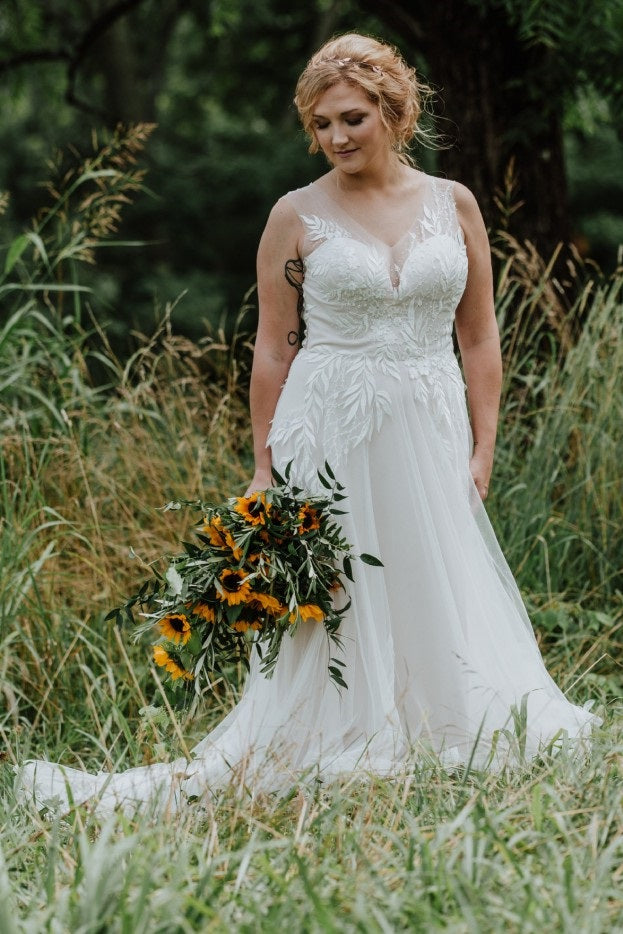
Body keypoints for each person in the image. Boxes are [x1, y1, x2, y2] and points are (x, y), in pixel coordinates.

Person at [16, 33, 598, 816]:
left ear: (394, 111)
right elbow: (271, 345)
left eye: (352, 118)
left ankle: (440, 717)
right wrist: (263, 468)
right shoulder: (295, 215)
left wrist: (482, 444)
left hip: (427, 418)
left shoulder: (452, 203)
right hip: (327, 424)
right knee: (342, 587)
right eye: (321, 125)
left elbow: (479, 335)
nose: (336, 137)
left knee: (433, 572)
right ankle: (339, 727)